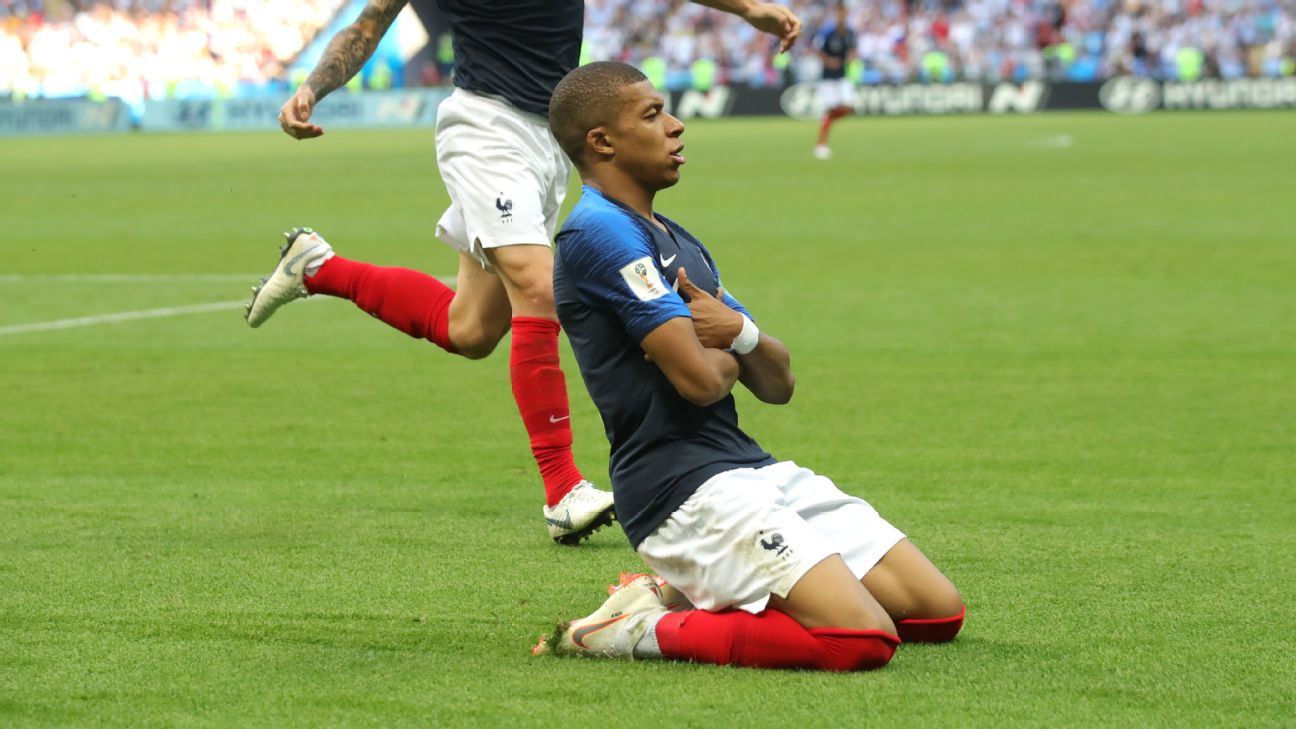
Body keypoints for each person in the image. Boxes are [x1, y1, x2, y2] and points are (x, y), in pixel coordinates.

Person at [244, 0, 802, 545]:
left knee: (471, 329)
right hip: (486, 126)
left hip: (551, 142)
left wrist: (749, 9)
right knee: (540, 285)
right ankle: (562, 490)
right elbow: (369, 23)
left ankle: (318, 267)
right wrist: (312, 88)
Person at [532, 62, 964, 670]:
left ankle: (674, 586)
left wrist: (737, 332)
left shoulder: (675, 237)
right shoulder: (597, 234)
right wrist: (734, 345)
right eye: (653, 115)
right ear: (601, 141)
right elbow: (704, 382)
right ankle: (639, 629)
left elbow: (779, 380)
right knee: (861, 640)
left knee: (935, 614)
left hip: (745, 466)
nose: (677, 127)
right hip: (679, 491)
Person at [813, 3, 857, 160]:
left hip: (842, 76)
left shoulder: (850, 32)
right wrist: (829, 61)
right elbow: (817, 51)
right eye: (839, 13)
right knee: (832, 108)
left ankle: (826, 119)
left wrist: (852, 57)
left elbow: (852, 50)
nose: (841, 16)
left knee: (849, 107)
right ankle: (821, 144)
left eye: (843, 13)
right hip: (828, 78)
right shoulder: (827, 32)